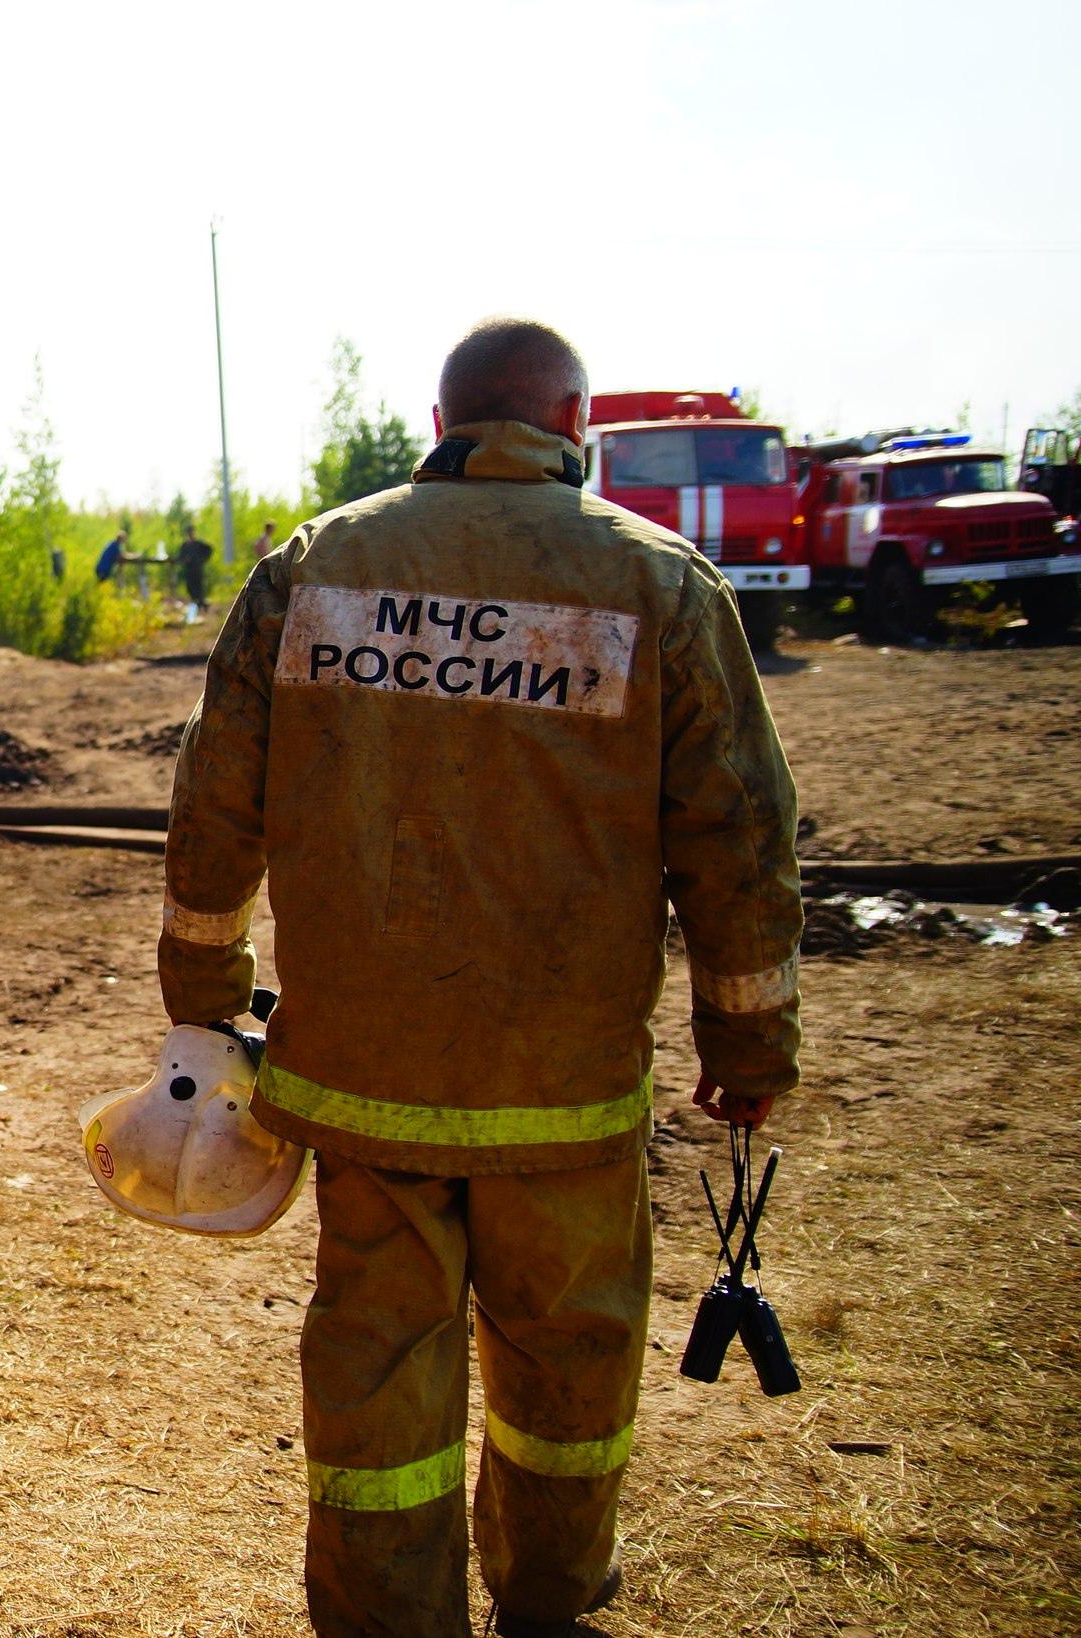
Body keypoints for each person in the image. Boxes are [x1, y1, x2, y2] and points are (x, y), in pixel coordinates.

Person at [159, 318, 801, 1637]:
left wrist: (203, 976)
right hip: (558, 1097)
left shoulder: (319, 566)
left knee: (377, 1383)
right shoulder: (658, 586)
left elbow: (216, 797)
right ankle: (551, 1602)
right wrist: (747, 1050)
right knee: (566, 1374)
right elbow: (739, 841)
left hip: (370, 1088)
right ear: (571, 423)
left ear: (444, 418)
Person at [175, 532, 216, 612]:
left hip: (197, 569)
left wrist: (203, 559)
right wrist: (184, 559)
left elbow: (209, 549)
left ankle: (201, 604)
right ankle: (198, 603)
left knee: (199, 588)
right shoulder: (185, 545)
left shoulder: (198, 544)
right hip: (189, 570)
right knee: (190, 587)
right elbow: (180, 556)